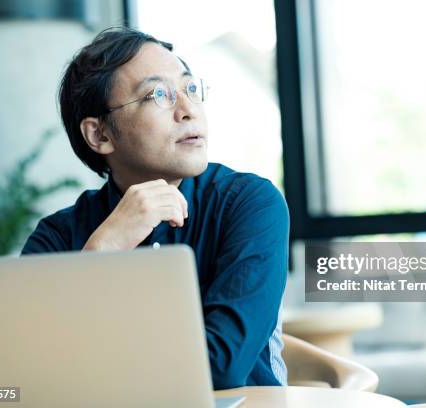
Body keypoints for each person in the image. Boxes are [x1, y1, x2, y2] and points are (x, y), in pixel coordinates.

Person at [21, 27, 289, 390]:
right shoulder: (56, 238)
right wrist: (102, 251)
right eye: (157, 94)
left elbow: (220, 367)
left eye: (190, 88)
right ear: (100, 135)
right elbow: (30, 368)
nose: (188, 109)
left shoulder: (249, 204)